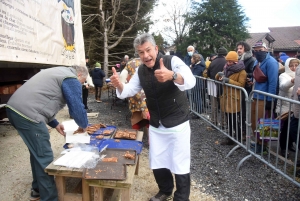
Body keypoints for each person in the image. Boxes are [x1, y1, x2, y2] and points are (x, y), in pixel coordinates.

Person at [110, 33, 196, 201]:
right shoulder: (141, 71)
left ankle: (181, 197)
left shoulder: (172, 61)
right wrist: (120, 85)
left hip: (177, 122)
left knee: (180, 161)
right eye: (141, 52)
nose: (146, 55)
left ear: (156, 49)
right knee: (158, 159)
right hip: (157, 122)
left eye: (148, 50)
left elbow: (191, 81)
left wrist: (172, 76)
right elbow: (128, 91)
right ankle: (165, 190)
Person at [5, 65, 89, 201]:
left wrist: (55, 124)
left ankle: (37, 190)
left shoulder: (58, 72)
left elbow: (43, 99)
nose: (81, 85)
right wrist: (84, 126)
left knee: (37, 153)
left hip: (14, 109)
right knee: (44, 156)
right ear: (80, 75)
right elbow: (77, 106)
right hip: (28, 114)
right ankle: (49, 198)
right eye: (82, 82)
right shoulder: (71, 78)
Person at [250, 40, 278, 153]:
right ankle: (257, 142)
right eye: (256, 51)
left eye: (260, 50)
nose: (258, 52)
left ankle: (263, 146)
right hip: (255, 95)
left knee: (265, 122)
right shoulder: (257, 61)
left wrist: (270, 100)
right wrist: (251, 81)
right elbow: (255, 76)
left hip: (264, 97)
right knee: (254, 121)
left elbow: (273, 82)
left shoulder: (271, 62)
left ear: (266, 50)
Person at [216, 51, 247, 145]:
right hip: (226, 97)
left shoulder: (242, 71)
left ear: (235, 61)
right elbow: (217, 78)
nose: (228, 63)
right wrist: (219, 75)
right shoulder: (226, 68)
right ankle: (230, 138)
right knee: (228, 120)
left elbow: (241, 85)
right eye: (227, 61)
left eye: (230, 61)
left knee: (233, 120)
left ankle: (237, 139)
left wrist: (228, 80)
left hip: (234, 98)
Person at [276, 58, 299, 156]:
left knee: (294, 128)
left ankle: (290, 145)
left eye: (296, 65)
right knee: (285, 129)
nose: (294, 68)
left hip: (295, 107)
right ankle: (283, 148)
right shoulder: (283, 75)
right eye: (291, 65)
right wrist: (293, 81)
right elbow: (283, 86)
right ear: (287, 66)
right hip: (285, 107)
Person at [119, 57, 150, 130]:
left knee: (136, 116)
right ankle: (149, 136)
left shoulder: (130, 63)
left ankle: (137, 136)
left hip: (134, 93)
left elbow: (123, 76)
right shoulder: (147, 61)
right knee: (147, 116)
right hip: (146, 93)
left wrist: (122, 84)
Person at [207, 47, 228, 125]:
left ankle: (214, 121)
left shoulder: (212, 62)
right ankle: (223, 122)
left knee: (214, 105)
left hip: (213, 85)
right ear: (225, 54)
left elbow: (208, 73)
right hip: (223, 86)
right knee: (223, 105)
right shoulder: (227, 62)